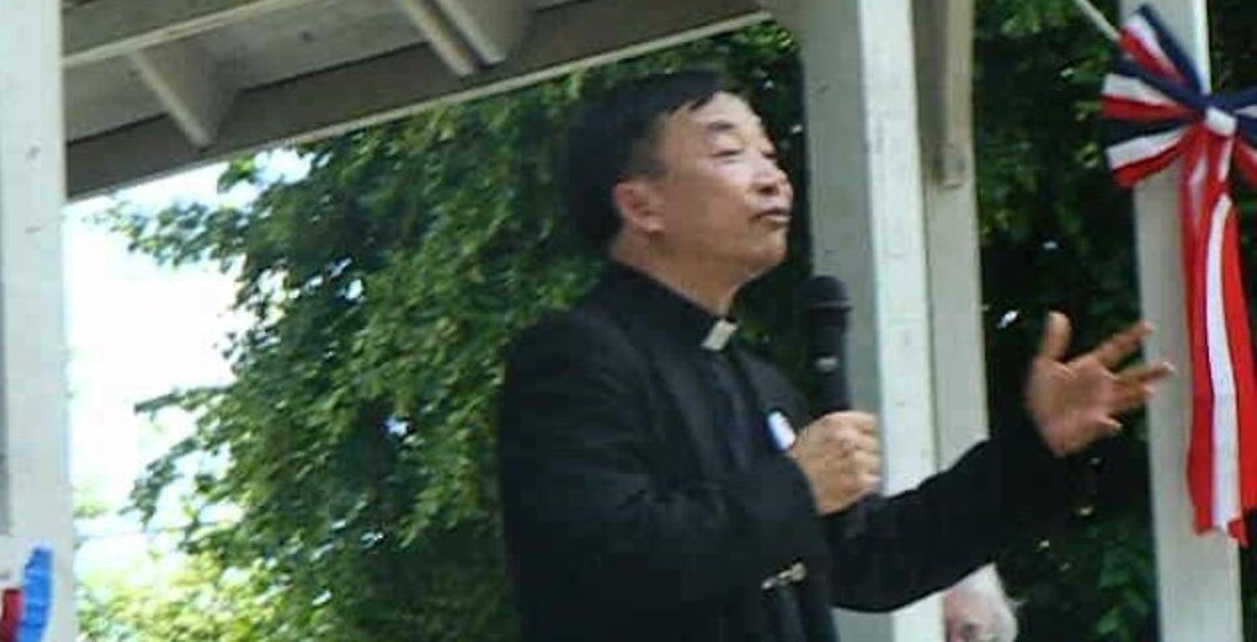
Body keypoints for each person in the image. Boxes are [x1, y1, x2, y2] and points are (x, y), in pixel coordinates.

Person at [496, 70, 1170, 642]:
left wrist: (1035, 448)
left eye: (769, 152)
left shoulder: (754, 379)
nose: (772, 177)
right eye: (731, 154)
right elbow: (601, 559)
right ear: (641, 205)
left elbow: (873, 562)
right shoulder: (575, 356)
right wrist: (794, 487)